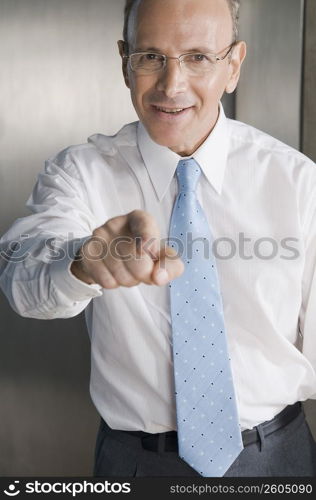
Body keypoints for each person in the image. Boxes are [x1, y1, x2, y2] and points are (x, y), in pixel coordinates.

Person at [0, 0, 315, 478]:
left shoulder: (297, 183)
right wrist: (84, 263)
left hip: (277, 456)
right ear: (125, 62)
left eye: (197, 57)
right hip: (134, 464)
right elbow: (24, 282)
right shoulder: (79, 174)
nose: (172, 85)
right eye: (151, 57)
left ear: (233, 65)